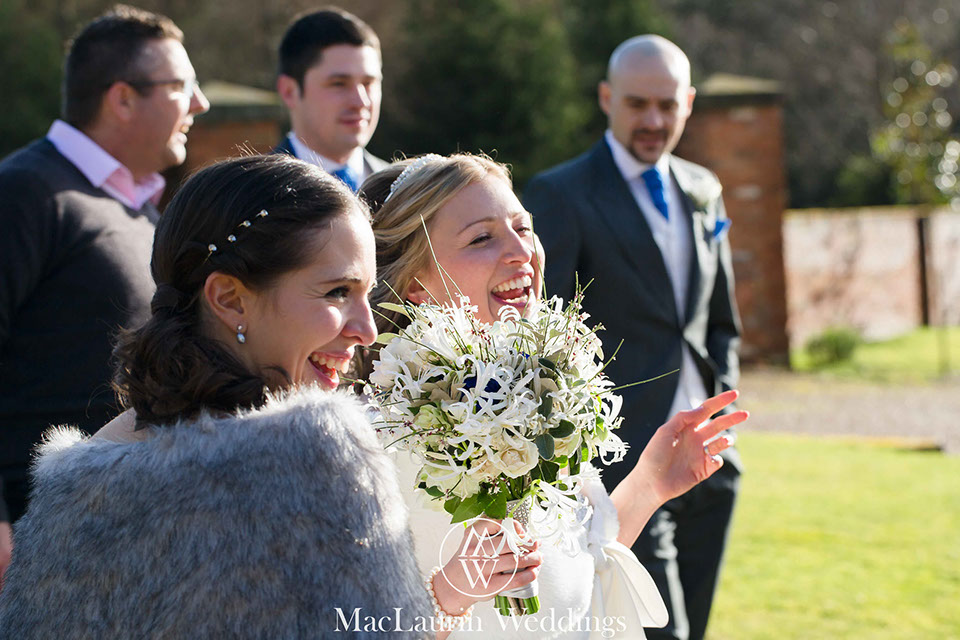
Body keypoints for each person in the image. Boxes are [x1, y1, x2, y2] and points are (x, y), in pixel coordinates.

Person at [0, 155, 443, 637]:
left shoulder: (78, 479)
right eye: (337, 292)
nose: (367, 330)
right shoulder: (319, 452)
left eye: (367, 293)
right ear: (229, 298)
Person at [359, 153, 748, 638]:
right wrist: (451, 593)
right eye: (482, 238)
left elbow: (583, 574)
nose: (520, 252)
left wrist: (651, 482)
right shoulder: (371, 437)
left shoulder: (540, 394)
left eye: (523, 228)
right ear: (416, 284)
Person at [523, 35, 743, 640]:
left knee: (695, 626)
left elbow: (720, 318)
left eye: (668, 105)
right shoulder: (560, 193)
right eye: (637, 103)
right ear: (606, 98)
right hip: (624, 455)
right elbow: (548, 330)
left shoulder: (704, 187)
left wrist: (722, 396)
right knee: (657, 629)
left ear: (690, 102)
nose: (653, 120)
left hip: (712, 453)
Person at [0, 4, 208, 583]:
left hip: (116, 540)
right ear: (122, 98)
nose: (201, 104)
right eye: (183, 86)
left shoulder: (141, 209)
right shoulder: (26, 193)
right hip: (28, 547)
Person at [274, 7, 387, 192]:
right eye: (339, 83)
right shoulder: (250, 197)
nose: (361, 102)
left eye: (368, 83)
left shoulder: (406, 191)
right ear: (289, 92)